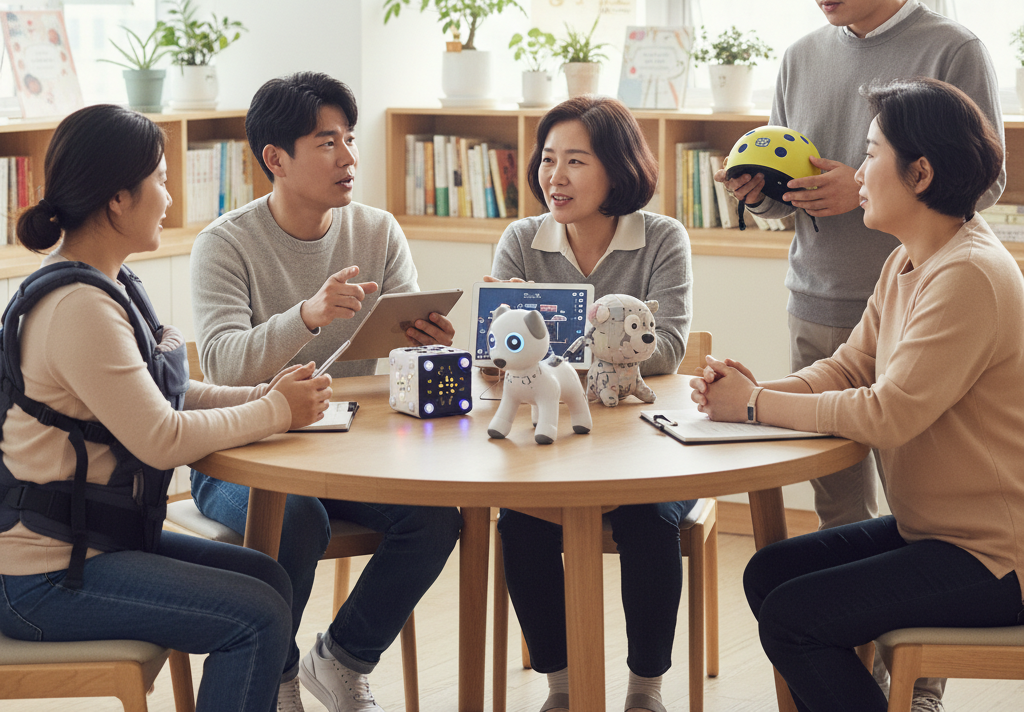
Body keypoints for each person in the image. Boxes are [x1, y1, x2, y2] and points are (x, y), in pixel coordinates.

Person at [717, 0, 1005, 709]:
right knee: (822, 530)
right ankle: (854, 680)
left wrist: (756, 406)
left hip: (983, 528)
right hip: (831, 297)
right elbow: (791, 162)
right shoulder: (802, 58)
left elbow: (975, 182)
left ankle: (912, 686)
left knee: (886, 532)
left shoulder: (952, 53)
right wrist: (769, 191)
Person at [693, 78, 1024, 712]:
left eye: (871, 153)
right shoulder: (908, 259)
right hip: (935, 532)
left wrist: (756, 406)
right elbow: (849, 368)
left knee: (794, 617)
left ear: (920, 172)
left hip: (993, 556)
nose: (858, 169)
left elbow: (888, 412)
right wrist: (753, 392)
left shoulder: (969, 275)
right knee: (770, 575)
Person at [0, 104, 333, 712]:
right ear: (118, 199)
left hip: (98, 544)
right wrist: (276, 413)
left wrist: (264, 396)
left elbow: (165, 394)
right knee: (256, 617)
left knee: (269, 580)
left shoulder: (112, 283)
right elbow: (160, 436)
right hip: (43, 578)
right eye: (159, 179)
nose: (170, 198)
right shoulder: (78, 306)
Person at [189, 71, 462, 712]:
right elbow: (225, 365)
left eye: (349, 139)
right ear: (275, 160)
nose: (349, 158)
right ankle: (276, 675)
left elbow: (395, 362)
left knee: (435, 519)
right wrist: (306, 316)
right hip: (244, 449)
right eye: (327, 142)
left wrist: (423, 341)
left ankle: (341, 660)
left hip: (349, 453)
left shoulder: (376, 230)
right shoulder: (224, 244)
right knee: (295, 517)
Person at [490, 95, 694, 712]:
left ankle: (645, 690)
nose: (555, 176)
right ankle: (562, 686)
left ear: (618, 166)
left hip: (645, 443)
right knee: (520, 521)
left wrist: (552, 344)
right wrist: (509, 345)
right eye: (548, 159)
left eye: (575, 161)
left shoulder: (661, 237)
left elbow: (670, 350)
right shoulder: (522, 239)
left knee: (649, 518)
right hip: (551, 444)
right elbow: (498, 354)